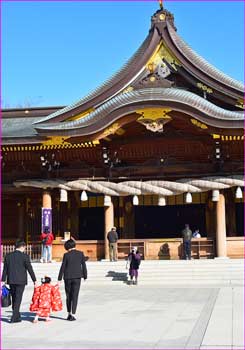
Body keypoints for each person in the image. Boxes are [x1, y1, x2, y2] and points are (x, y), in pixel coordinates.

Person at [1, 240, 37, 323]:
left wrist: (3, 280)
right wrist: (34, 280)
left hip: (11, 280)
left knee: (14, 297)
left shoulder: (8, 256)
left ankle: (17, 316)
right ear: (23, 247)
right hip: (21, 281)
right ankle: (14, 317)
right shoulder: (25, 256)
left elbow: (5, 269)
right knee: (18, 298)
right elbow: (29, 269)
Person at [58, 239, 87, 321]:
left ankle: (69, 313)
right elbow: (84, 265)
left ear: (67, 247)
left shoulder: (66, 255)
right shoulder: (80, 254)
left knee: (68, 296)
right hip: (77, 277)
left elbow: (63, 266)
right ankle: (73, 314)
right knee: (75, 295)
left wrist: (59, 278)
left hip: (67, 277)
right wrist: (85, 275)